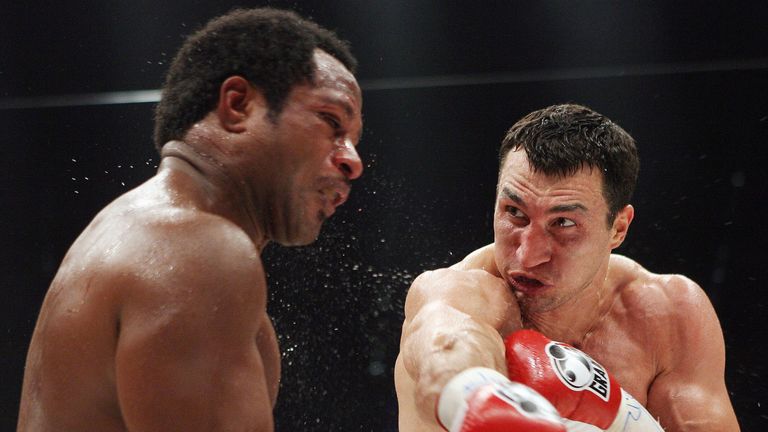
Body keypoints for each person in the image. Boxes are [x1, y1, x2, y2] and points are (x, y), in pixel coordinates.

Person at [18, 7, 363, 431]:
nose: (352, 160)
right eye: (331, 122)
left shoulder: (136, 231)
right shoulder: (196, 251)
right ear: (238, 105)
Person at [395, 104, 740, 431]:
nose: (528, 256)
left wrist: (621, 418)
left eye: (563, 223)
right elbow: (443, 343)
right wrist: (478, 396)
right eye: (515, 212)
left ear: (618, 228)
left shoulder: (667, 314)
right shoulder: (460, 291)